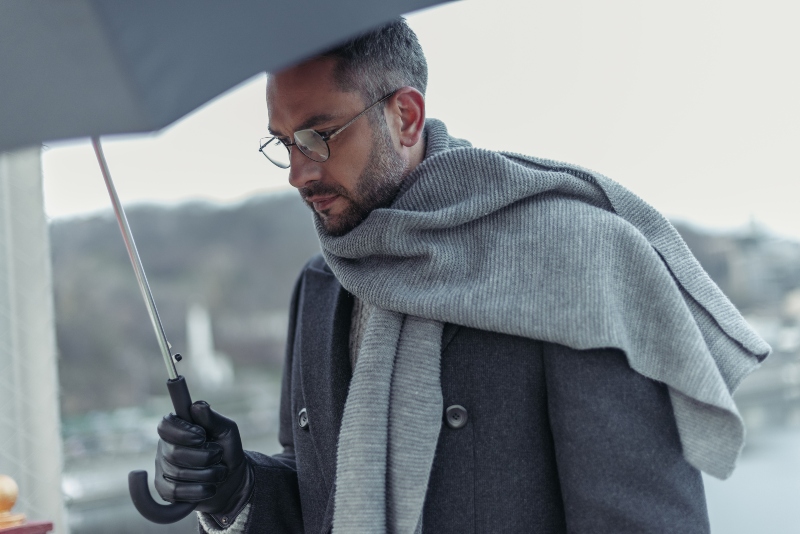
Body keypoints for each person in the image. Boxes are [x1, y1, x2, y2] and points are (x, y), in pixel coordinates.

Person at [153, 19, 769, 533]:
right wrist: (237, 489)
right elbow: (325, 502)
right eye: (284, 143)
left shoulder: (568, 262)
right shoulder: (320, 286)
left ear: (406, 117)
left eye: (319, 135)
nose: (298, 173)